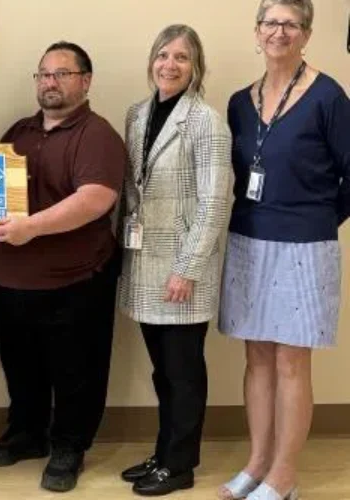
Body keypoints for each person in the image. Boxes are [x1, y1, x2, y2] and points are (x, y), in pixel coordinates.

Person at [217, 1, 350, 499]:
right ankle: (256, 464)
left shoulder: (329, 97)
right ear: (257, 31)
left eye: (290, 24)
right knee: (258, 356)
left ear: (306, 35)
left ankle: (285, 475)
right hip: (249, 237)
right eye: (271, 22)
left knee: (293, 359)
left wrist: (318, 217)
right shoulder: (238, 102)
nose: (279, 31)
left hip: (305, 244)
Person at [0, 41, 127, 493]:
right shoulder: (19, 131)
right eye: (44, 73)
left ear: (85, 81)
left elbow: (95, 199)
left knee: (75, 373)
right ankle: (27, 434)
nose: (51, 82)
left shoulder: (97, 134)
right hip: (11, 282)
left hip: (75, 283)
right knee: (21, 367)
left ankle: (69, 446)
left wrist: (32, 228)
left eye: (62, 74)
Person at [117, 24, 234, 497]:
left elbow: (214, 202)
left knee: (183, 372)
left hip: (183, 269)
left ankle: (180, 464)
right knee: (161, 370)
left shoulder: (206, 121)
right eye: (163, 55)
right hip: (144, 262)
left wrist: (186, 268)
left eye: (181, 57)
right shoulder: (136, 114)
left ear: (196, 67)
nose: (170, 64)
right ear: (151, 62)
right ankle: (164, 452)